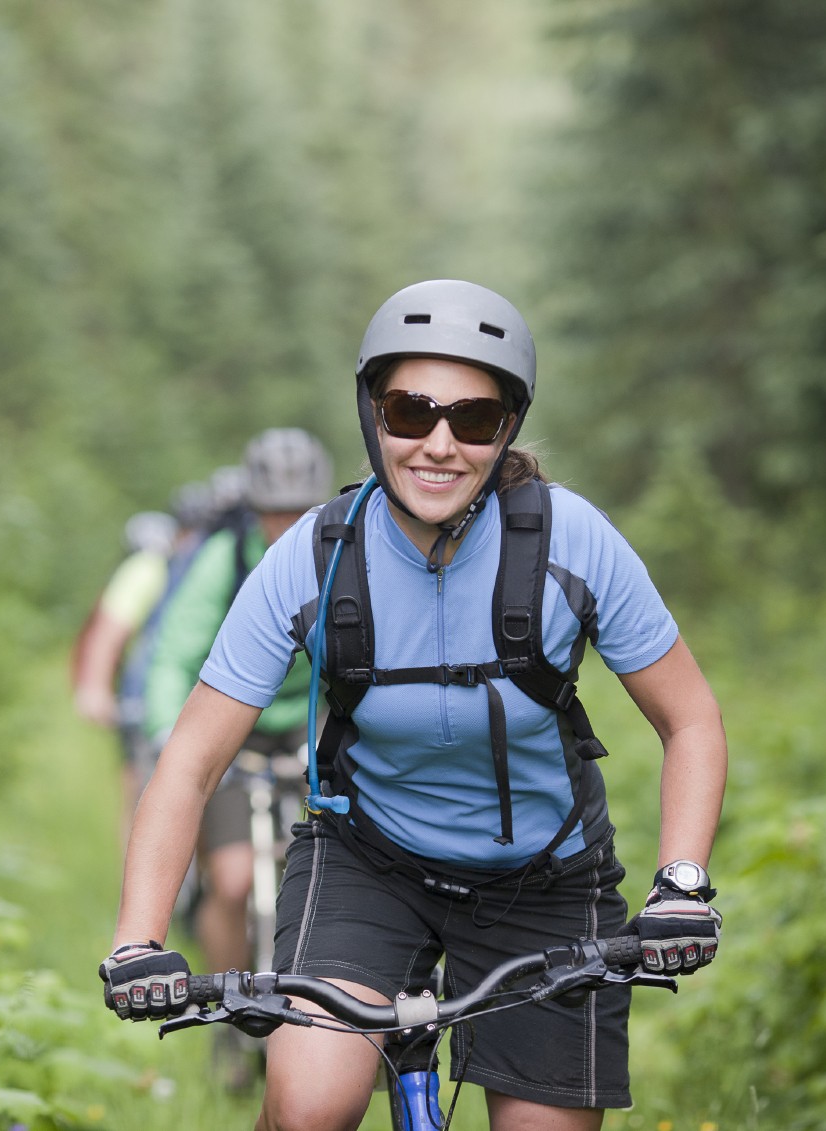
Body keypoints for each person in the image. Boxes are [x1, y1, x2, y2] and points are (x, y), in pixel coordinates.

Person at [99, 280, 727, 1131]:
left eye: (471, 420)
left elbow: (689, 719)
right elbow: (191, 760)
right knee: (310, 1100)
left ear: (505, 428)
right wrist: (138, 938)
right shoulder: (312, 555)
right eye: (410, 411)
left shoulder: (572, 541)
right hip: (368, 860)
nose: (439, 444)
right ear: (373, 416)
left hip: (544, 880)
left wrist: (680, 884)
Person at [140, 427, 334, 1089]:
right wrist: (172, 734)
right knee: (229, 881)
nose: (284, 524)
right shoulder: (223, 560)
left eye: (297, 509)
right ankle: (228, 1017)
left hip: (312, 730)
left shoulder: (337, 555)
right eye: (272, 510)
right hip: (234, 736)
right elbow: (175, 652)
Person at [71, 509, 181, 837]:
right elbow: (110, 631)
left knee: (139, 793)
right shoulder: (153, 567)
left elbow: (107, 631)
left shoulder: (146, 566)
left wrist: (94, 687)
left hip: (145, 697)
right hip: (147, 696)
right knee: (143, 790)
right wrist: (94, 687)